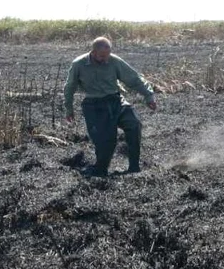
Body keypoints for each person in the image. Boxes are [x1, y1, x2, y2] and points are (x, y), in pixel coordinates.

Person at [64, 36, 157, 176]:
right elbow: (69, 87)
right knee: (106, 140)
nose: (105, 59)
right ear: (93, 52)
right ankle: (101, 169)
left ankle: (134, 168)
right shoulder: (79, 64)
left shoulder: (113, 61)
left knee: (134, 123)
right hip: (94, 106)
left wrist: (149, 96)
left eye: (107, 56)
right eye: (102, 56)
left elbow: (133, 78)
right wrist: (69, 109)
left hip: (116, 101)